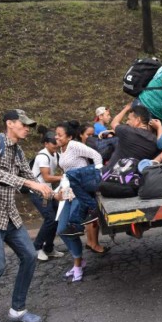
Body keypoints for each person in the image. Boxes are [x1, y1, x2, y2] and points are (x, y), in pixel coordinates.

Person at [0, 109, 52, 322]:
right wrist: (32, 185)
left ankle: (18, 310)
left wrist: (52, 193)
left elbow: (30, 178)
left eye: (28, 125)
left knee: (29, 255)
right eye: (23, 124)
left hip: (8, 213)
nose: (27, 128)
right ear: (9, 123)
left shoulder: (18, 152)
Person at [55, 121, 104, 282]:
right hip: (70, 189)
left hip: (81, 190)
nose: (56, 137)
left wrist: (95, 177)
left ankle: (77, 265)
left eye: (59, 135)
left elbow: (96, 156)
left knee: (72, 227)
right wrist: (63, 191)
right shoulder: (60, 150)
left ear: (69, 137)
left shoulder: (74, 145)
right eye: (56, 134)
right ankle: (79, 260)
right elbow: (67, 173)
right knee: (62, 229)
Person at [30, 126, 64, 261]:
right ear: (46, 143)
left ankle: (49, 248)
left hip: (48, 191)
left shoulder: (55, 153)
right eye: (53, 144)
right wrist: (63, 177)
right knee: (50, 219)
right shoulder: (42, 156)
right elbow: (47, 178)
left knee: (56, 219)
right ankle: (37, 248)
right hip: (38, 192)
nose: (56, 146)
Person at [103, 104, 161, 172]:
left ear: (138, 120)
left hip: (110, 174)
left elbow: (114, 123)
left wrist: (126, 109)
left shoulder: (127, 131)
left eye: (129, 119)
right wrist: (159, 127)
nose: (127, 122)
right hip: (132, 179)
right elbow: (160, 143)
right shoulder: (154, 140)